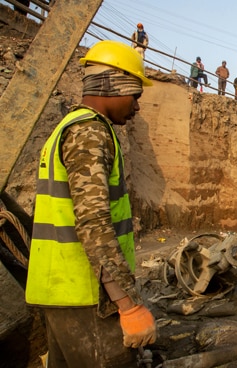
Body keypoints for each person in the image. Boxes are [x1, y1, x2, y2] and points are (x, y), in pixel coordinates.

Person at [25, 40, 157, 367]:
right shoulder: (89, 132)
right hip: (85, 294)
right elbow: (94, 224)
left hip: (62, 291)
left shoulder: (69, 128)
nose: (137, 107)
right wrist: (128, 304)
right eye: (135, 96)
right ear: (113, 85)